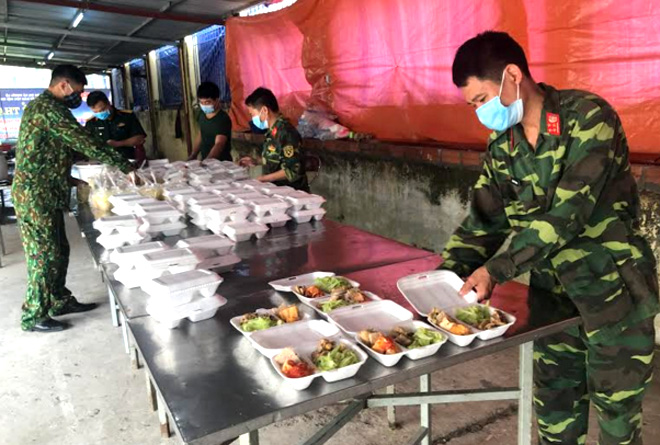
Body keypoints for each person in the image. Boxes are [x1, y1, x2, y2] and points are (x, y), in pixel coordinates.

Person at [442, 31, 658, 445]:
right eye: (473, 105)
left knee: (618, 418)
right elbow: (485, 221)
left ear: (511, 75)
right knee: (556, 414)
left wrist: (497, 269)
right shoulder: (503, 145)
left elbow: (566, 217)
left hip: (613, 293)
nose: (480, 113)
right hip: (553, 299)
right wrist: (443, 281)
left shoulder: (589, 118)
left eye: (482, 99)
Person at [12, 65, 133, 333]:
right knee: (43, 254)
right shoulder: (48, 109)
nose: (78, 97)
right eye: (77, 91)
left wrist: (71, 178)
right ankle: (33, 315)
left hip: (48, 191)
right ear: (64, 85)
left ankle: (59, 300)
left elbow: (50, 153)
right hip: (35, 196)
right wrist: (123, 166)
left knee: (59, 250)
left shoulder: (51, 109)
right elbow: (82, 140)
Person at [239, 87, 309, 191]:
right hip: (276, 191)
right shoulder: (272, 131)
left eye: (252, 114)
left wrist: (263, 179)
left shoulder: (286, 132)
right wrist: (257, 161)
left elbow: (293, 169)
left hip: (292, 193)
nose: (252, 119)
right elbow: (278, 159)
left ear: (264, 110)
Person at [85, 91, 147, 163]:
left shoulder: (127, 116)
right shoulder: (91, 123)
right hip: (102, 164)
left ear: (108, 103)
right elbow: (87, 145)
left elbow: (139, 138)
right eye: (96, 112)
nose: (100, 113)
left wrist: (118, 143)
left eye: (102, 110)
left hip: (128, 161)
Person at [188, 82, 233, 162]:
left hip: (221, 164)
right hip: (205, 160)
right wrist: (193, 155)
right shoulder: (201, 114)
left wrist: (207, 162)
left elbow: (219, 144)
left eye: (207, 102)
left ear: (217, 100)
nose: (204, 106)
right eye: (201, 103)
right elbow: (201, 134)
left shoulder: (223, 119)